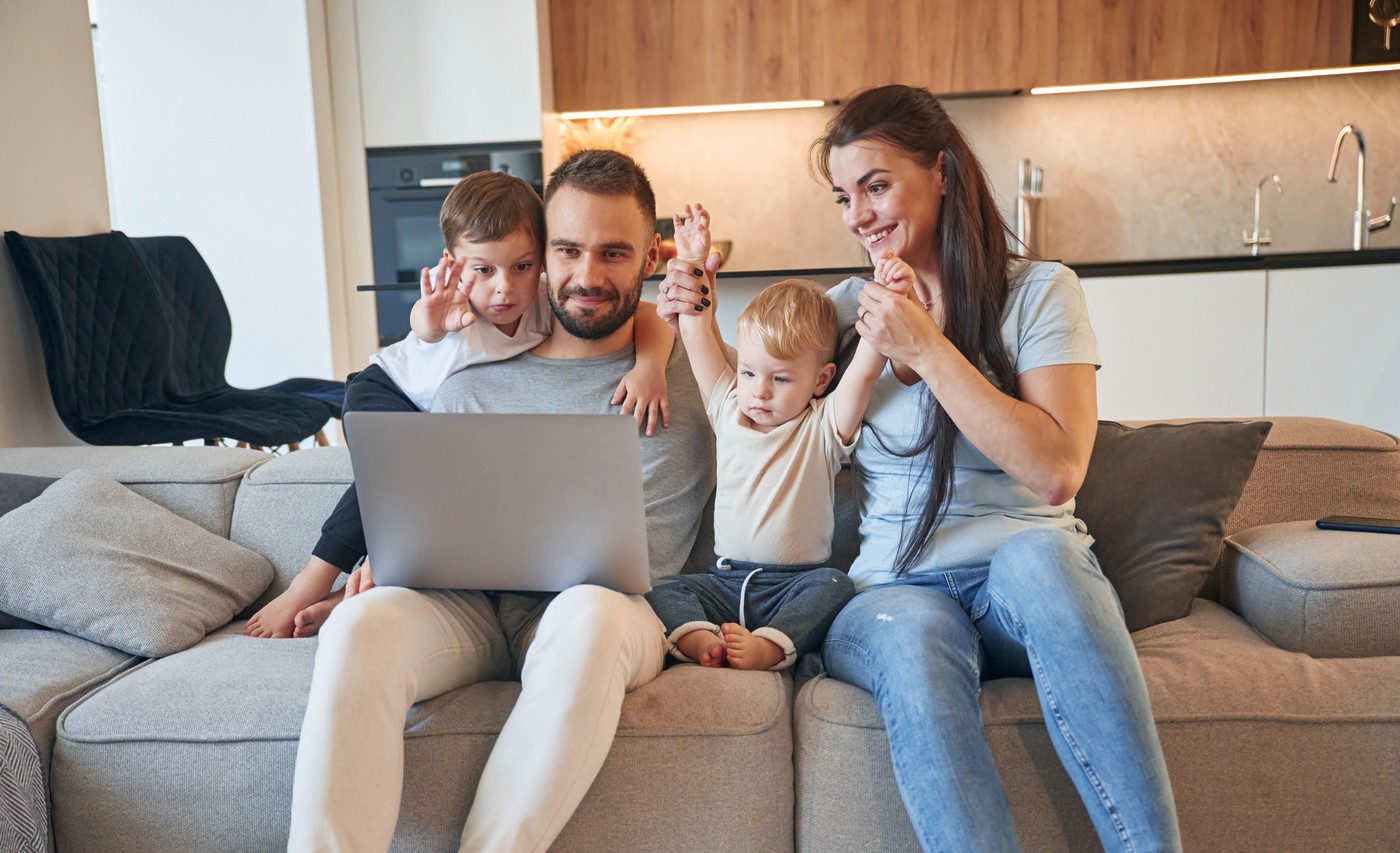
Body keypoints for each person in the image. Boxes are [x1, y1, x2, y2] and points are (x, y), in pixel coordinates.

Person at [662, 85, 1182, 852]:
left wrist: (926, 348)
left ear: (940, 171)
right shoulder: (839, 310)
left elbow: (1056, 470)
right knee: (908, 635)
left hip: (1019, 576)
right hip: (895, 588)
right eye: (844, 196)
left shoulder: (1039, 293)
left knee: (1047, 556)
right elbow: (752, 393)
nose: (858, 214)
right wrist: (687, 304)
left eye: (876, 185)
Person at [285, 148, 715, 853]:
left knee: (588, 611)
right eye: (567, 250)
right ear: (542, 254)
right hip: (473, 610)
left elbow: (649, 563)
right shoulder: (468, 384)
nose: (586, 275)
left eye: (613, 253)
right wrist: (384, 564)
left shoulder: (678, 386)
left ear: (651, 257)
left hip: (612, 617)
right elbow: (427, 518)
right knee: (362, 624)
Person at [245, 169, 675, 640]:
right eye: (484, 270)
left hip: (436, 413)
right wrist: (429, 322)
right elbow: (421, 327)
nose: (504, 289)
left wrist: (650, 367)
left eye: (522, 266)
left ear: (543, 262)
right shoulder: (453, 312)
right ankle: (312, 581)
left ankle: (354, 590)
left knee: (428, 498)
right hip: (385, 390)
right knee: (388, 478)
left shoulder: (546, 303)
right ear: (453, 264)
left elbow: (646, 315)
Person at [645, 204, 895, 671]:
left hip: (796, 587)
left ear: (820, 381)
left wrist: (887, 289)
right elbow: (697, 332)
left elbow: (863, 371)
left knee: (837, 586)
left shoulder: (823, 426)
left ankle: (770, 647)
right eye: (748, 372)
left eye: (780, 380)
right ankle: (702, 639)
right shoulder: (727, 405)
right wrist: (693, 258)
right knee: (664, 587)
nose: (757, 391)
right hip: (724, 582)